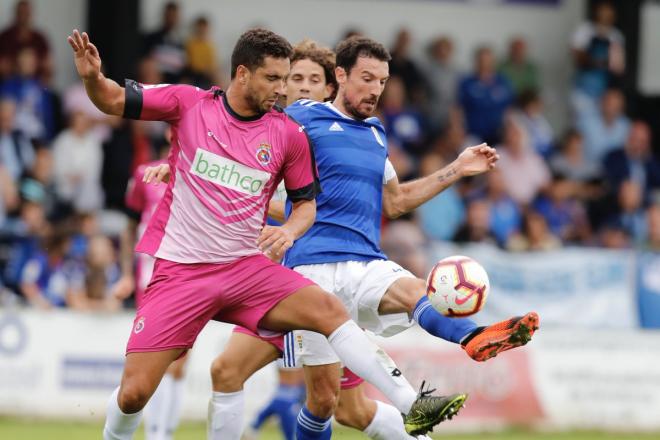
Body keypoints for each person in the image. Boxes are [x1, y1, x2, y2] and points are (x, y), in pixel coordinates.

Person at [67, 28, 463, 440]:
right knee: (133, 394)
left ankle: (413, 405)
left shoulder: (287, 133)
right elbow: (112, 99)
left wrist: (289, 230)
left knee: (329, 312)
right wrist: (93, 77)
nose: (283, 89)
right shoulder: (189, 103)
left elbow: (306, 203)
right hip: (182, 272)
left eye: (286, 78)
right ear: (243, 73)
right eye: (274, 79)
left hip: (246, 269)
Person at [149, 36, 539, 440]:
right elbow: (238, 143)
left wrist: (456, 169)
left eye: (382, 81)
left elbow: (396, 201)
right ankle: (412, 410)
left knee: (412, 291)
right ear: (341, 77)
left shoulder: (375, 133)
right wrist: (183, 166)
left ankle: (473, 337)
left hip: (366, 260)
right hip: (310, 270)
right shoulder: (299, 120)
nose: (375, 89)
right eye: (367, 78)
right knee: (323, 401)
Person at [112, 139, 188, 440]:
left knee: (179, 364)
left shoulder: (200, 172)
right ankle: (155, 433)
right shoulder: (144, 174)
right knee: (152, 360)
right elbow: (129, 227)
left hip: (187, 275)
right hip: (150, 275)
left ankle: (164, 432)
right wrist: (126, 274)